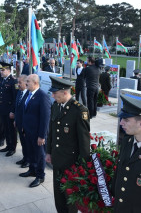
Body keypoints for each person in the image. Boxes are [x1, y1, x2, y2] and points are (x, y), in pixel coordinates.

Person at [46, 76, 90, 213]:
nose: (52, 95)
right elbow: (52, 131)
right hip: (58, 159)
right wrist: (49, 152)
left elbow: (84, 142)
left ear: (65, 92)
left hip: (71, 163)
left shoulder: (79, 111)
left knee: (70, 198)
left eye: (55, 93)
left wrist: (83, 166)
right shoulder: (55, 106)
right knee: (58, 195)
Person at [19, 74, 51, 188]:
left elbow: (45, 118)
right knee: (31, 152)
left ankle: (40, 176)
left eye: (28, 81)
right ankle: (32, 170)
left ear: (35, 83)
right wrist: (23, 127)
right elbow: (26, 112)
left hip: (38, 133)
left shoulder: (42, 96)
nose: (25, 83)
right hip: (28, 131)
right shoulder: (28, 93)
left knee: (39, 155)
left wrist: (42, 136)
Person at [0, 62, 18, 157]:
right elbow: (1, 95)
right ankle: (8, 145)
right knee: (5, 128)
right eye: (1, 70)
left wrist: (13, 111)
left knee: (11, 130)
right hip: (3, 109)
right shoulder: (3, 80)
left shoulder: (13, 81)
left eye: (3, 70)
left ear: (9, 71)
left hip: (10, 110)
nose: (1, 72)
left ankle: (13, 148)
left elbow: (15, 98)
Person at [14, 75, 29, 168]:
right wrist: (15, 120)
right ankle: (24, 158)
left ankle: (28, 160)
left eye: (20, 82)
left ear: (25, 83)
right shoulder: (19, 92)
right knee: (23, 143)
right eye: (18, 82)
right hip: (19, 123)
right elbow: (17, 108)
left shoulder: (29, 94)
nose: (18, 85)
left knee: (27, 143)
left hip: (26, 125)